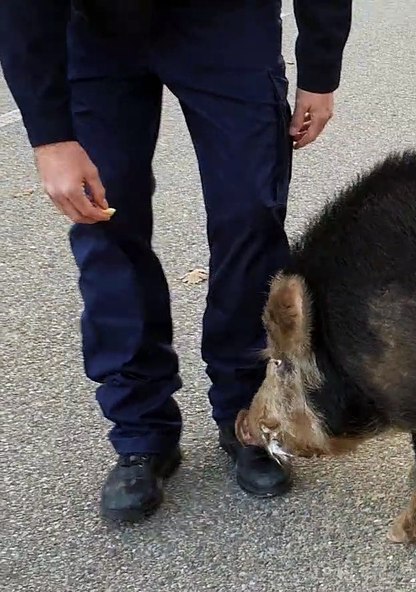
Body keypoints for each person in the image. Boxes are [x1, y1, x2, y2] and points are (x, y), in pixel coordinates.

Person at [0, 0, 353, 523]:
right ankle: (141, 433)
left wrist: (320, 70)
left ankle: (248, 413)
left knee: (250, 217)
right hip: (96, 32)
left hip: (227, 25)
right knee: (106, 227)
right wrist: (51, 136)